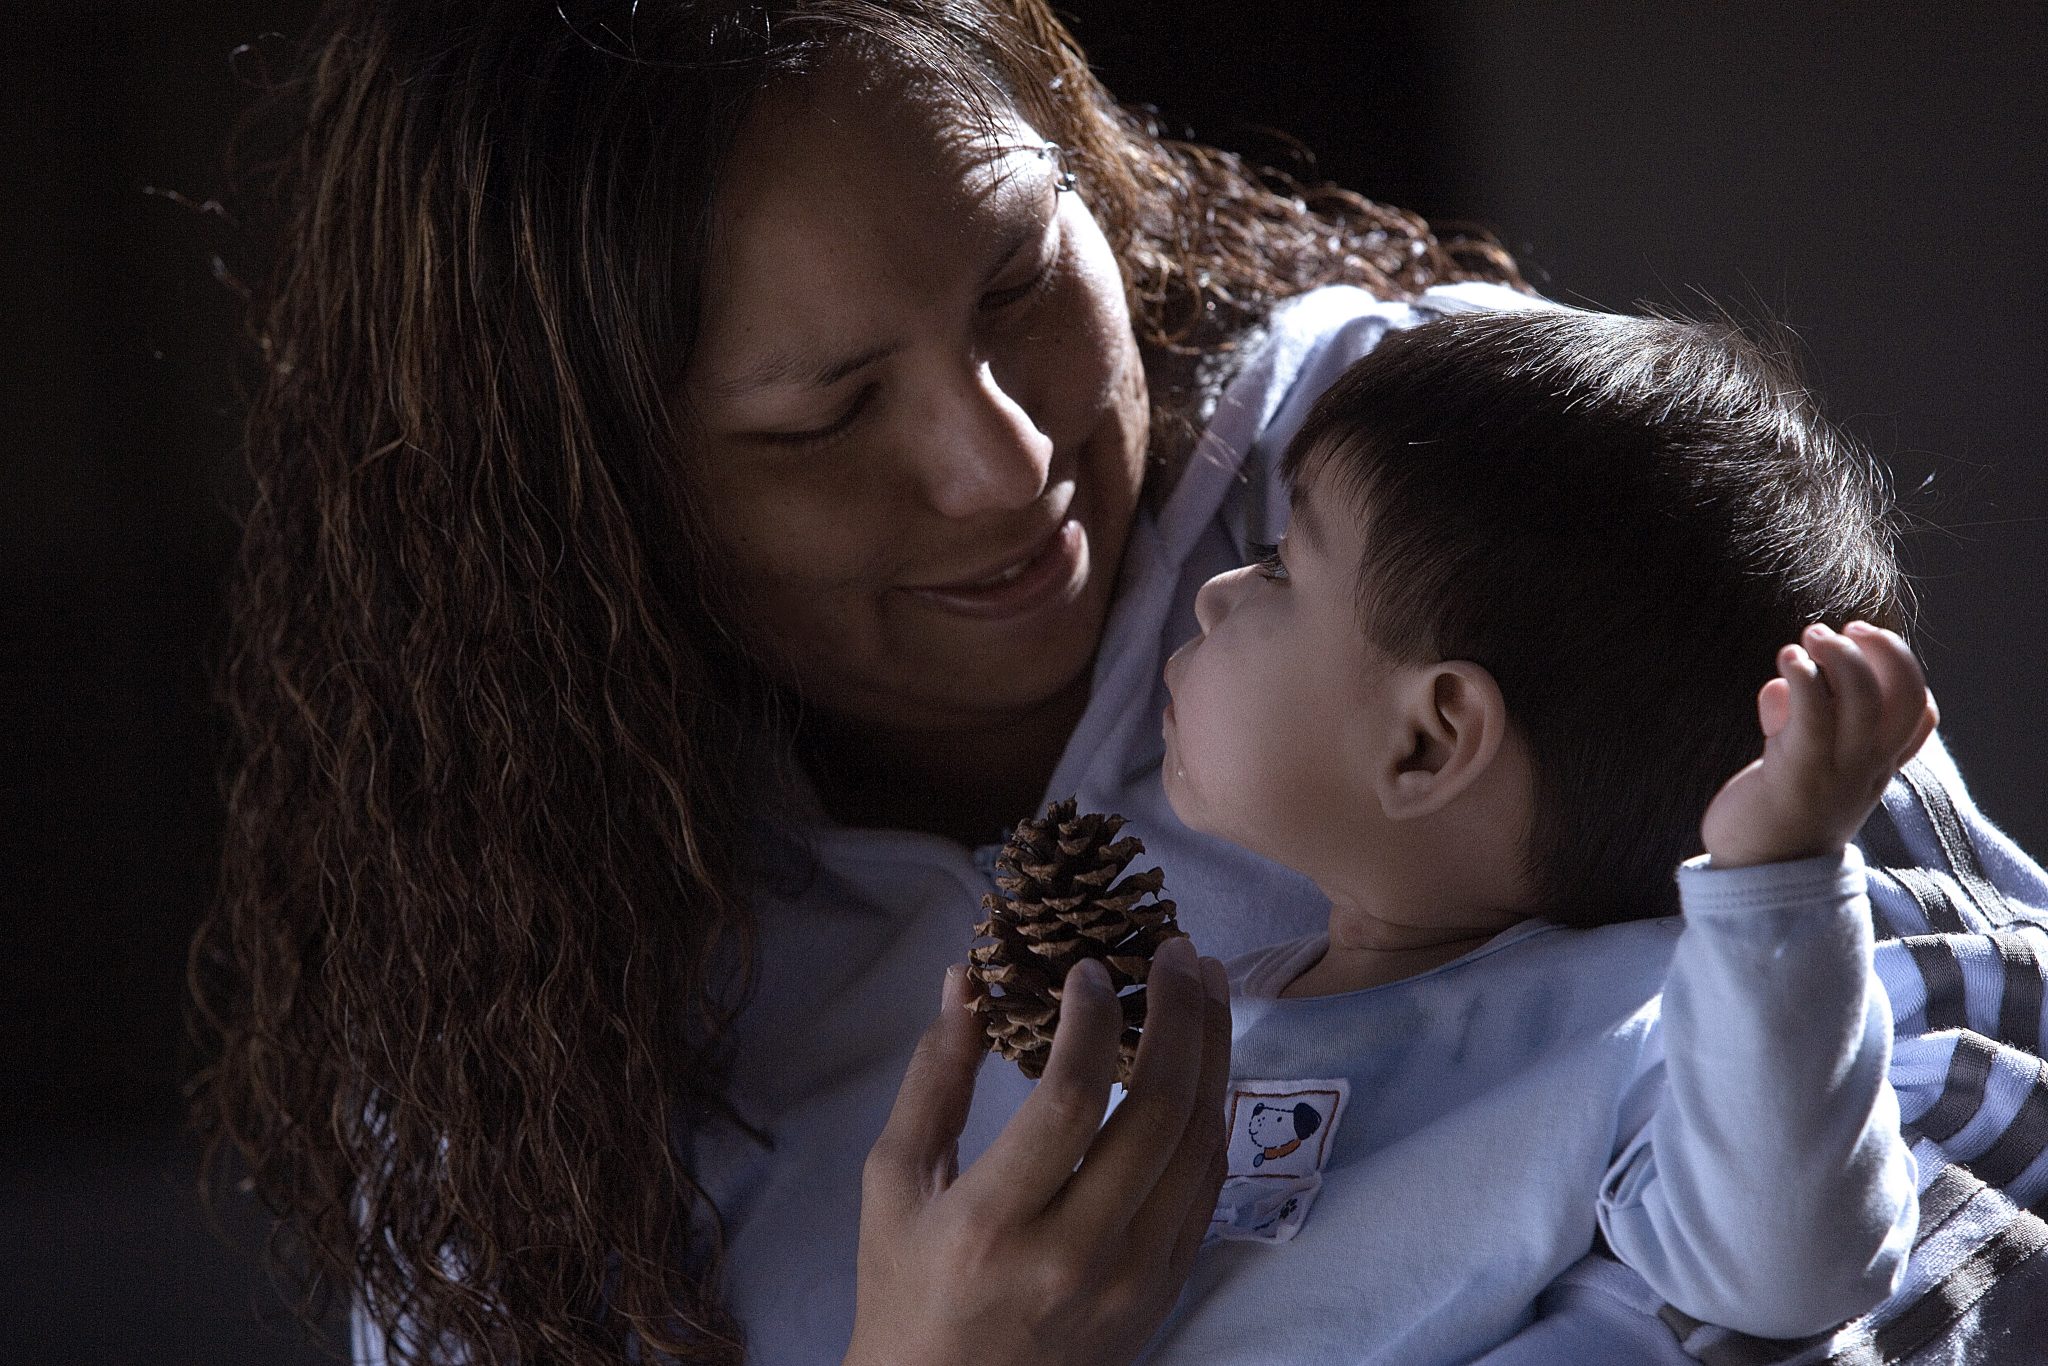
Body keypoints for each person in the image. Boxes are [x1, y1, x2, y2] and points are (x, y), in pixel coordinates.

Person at [184, 3, 2048, 1363]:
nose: (1002, 469)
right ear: (586, 514)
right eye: (822, 414)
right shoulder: (522, 994)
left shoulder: (1458, 475)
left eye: (1015, 281)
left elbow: (1978, 1090)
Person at [1147, 308, 1928, 1361]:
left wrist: (1774, 887)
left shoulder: (1630, 1024)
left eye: (1283, 565)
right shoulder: (1206, 1005)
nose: (1213, 593)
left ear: (1427, 741)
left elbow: (1792, 1266)